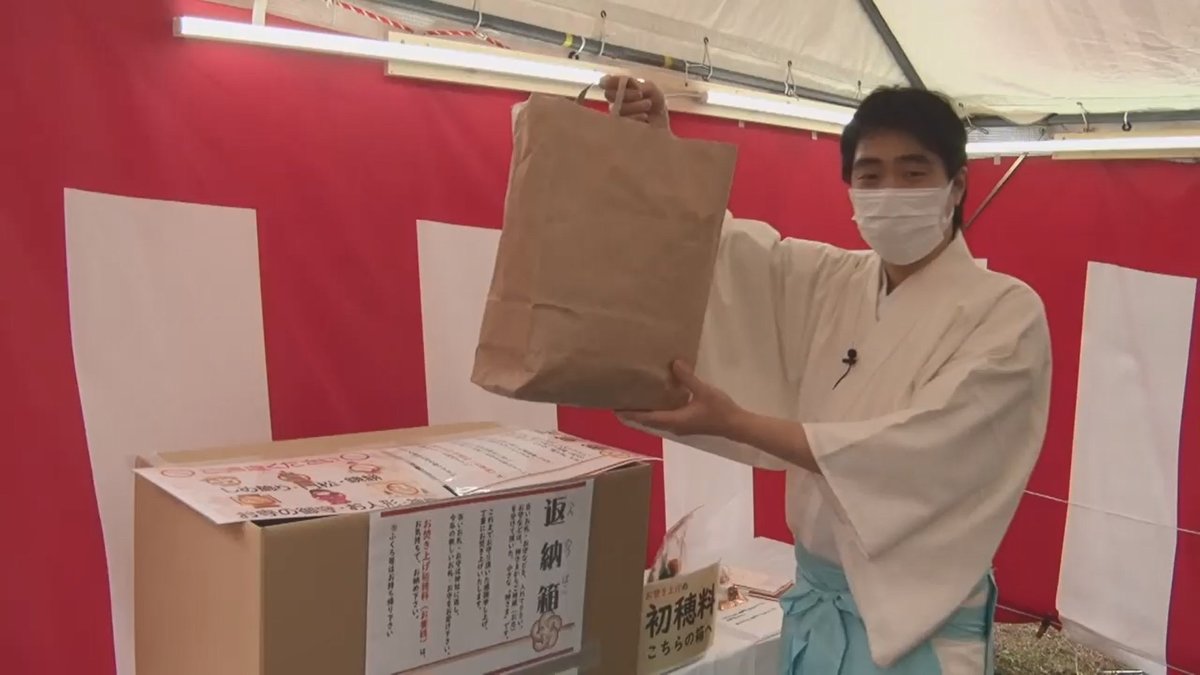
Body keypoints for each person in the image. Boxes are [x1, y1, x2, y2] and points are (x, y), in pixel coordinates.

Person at [604, 75, 1052, 675]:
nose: (890, 190)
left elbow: (919, 453)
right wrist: (659, 152)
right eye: (870, 175)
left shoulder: (1006, 312)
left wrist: (739, 422)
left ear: (956, 184)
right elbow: (723, 248)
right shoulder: (830, 280)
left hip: (918, 632)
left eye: (913, 172)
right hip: (815, 608)